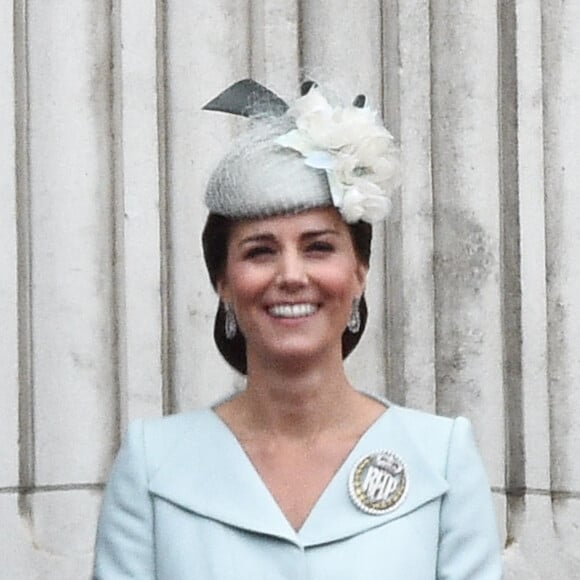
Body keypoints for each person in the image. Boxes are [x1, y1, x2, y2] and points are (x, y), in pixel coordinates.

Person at [93, 79, 503, 579]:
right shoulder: (153, 466)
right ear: (223, 281)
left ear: (359, 273)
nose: (291, 276)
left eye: (318, 247)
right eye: (260, 251)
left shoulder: (439, 459)